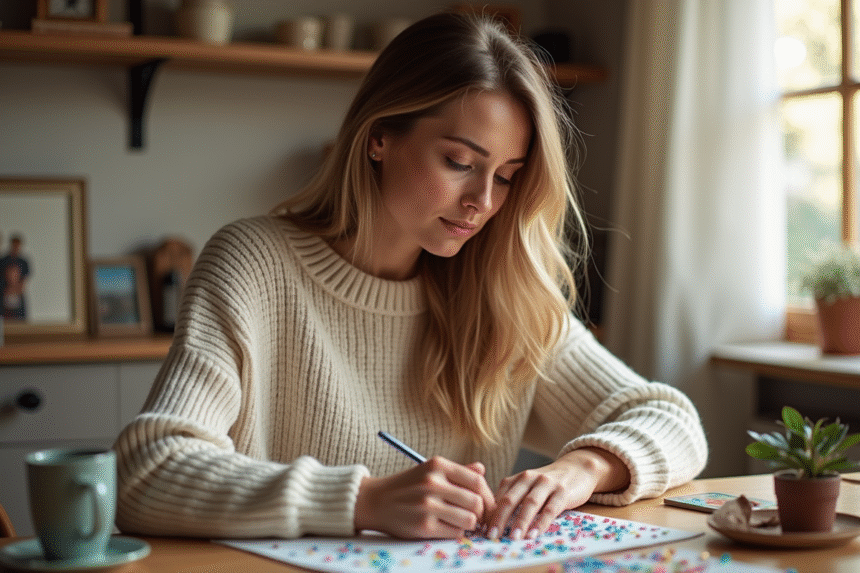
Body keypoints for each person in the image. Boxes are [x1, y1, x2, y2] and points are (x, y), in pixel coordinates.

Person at [113, 12, 707, 541]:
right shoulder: (253, 264)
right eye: (459, 162)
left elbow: (674, 420)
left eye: (505, 176)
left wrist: (584, 468)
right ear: (379, 137)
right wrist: (362, 501)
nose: (482, 201)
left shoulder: (501, 292)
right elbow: (147, 472)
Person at [0, 234, 30, 321]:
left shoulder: (23, 261)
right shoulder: (3, 260)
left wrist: (16, 289)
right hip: (4, 295)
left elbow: (25, 280)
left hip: (18, 296)